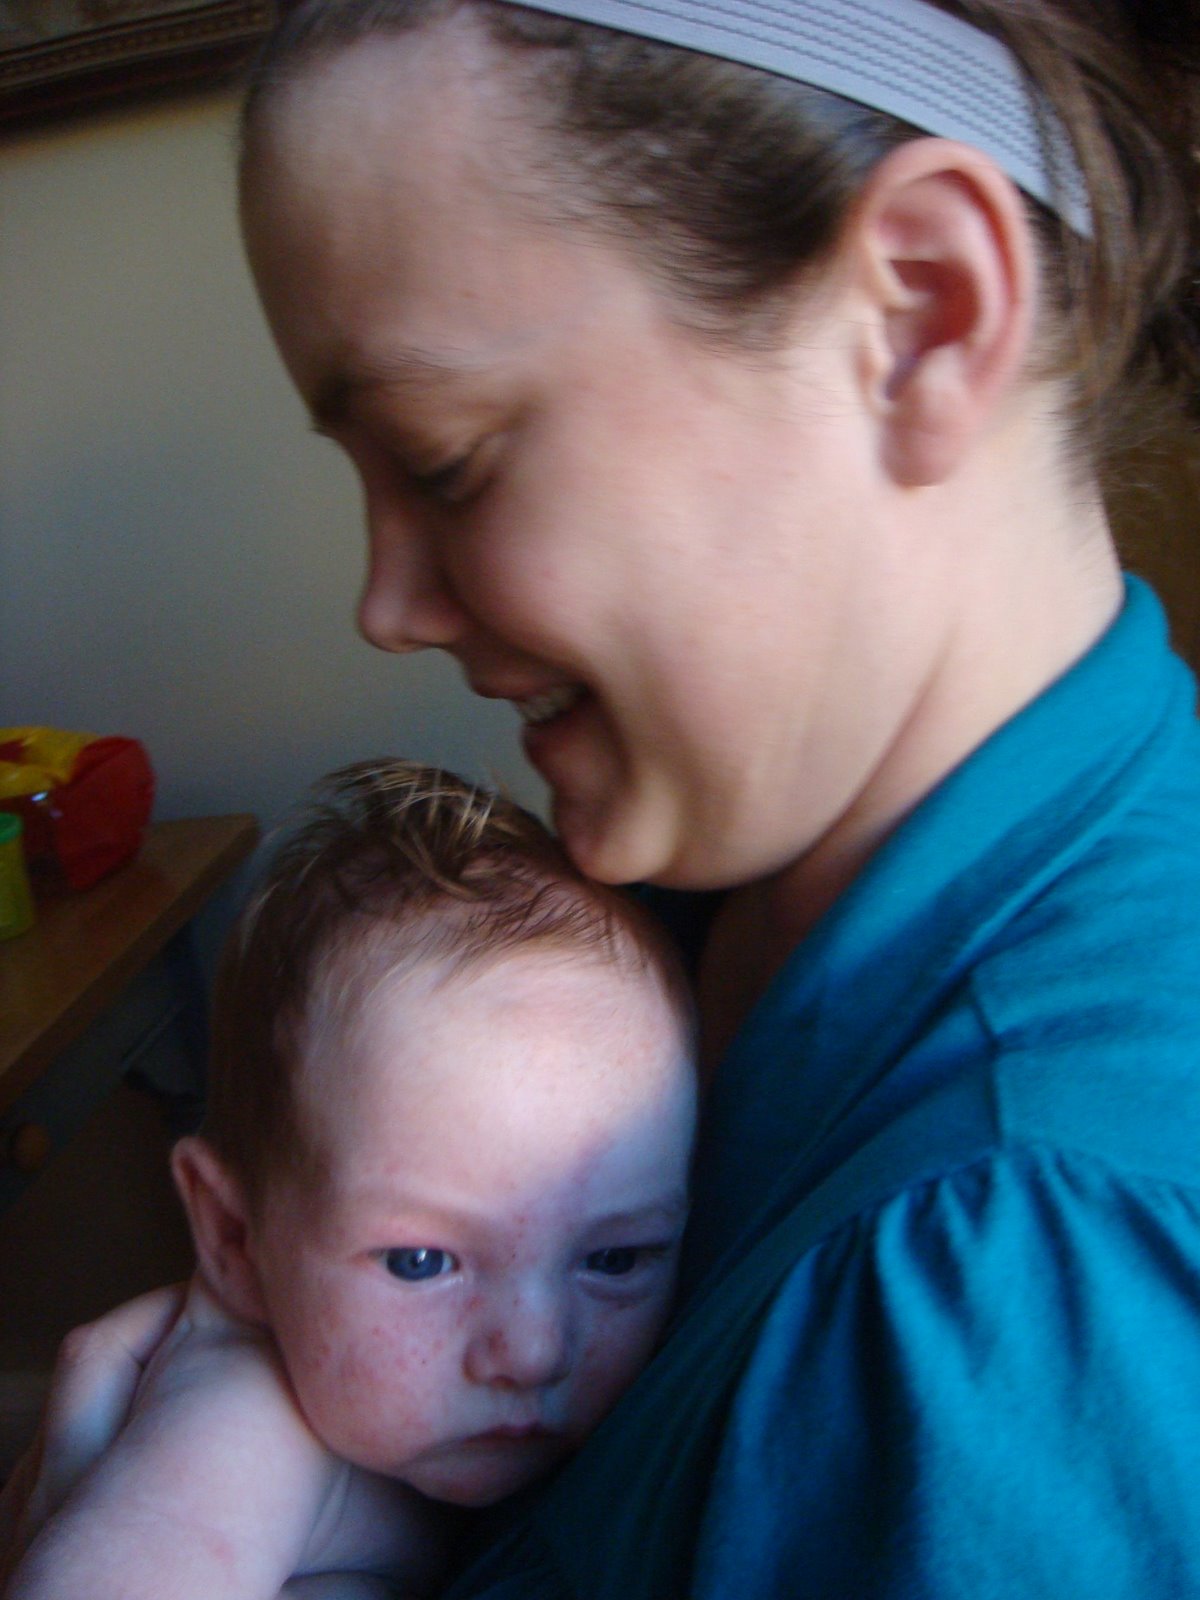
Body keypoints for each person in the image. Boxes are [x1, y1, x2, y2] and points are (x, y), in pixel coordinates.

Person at [5, 0, 1200, 1594]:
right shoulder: (698, 875)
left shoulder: (1023, 1284)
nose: (387, 606)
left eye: (445, 460)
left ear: (920, 311)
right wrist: (247, 1443)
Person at [3, 761, 696, 1600]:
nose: (534, 1351)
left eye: (615, 1259)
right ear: (233, 1235)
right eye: (420, 1262)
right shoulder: (244, 1425)